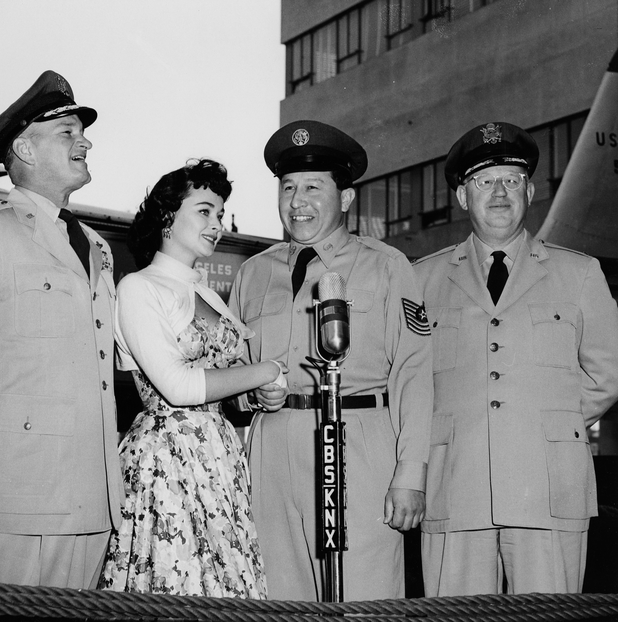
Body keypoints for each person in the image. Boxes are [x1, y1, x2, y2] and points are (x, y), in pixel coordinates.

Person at [228, 120, 433, 601]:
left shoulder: (385, 266)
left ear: (345, 198)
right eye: (288, 187)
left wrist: (411, 473)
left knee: (364, 598)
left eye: (314, 187)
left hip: (359, 445)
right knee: (278, 600)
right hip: (273, 449)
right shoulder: (254, 273)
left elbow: (414, 375)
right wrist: (247, 392)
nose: (297, 201)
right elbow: (229, 369)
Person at [412, 121, 618, 596]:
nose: (499, 192)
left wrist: (547, 422)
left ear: (529, 189)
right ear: (463, 197)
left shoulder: (580, 273)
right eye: (484, 181)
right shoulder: (421, 280)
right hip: (455, 488)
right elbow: (412, 381)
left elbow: (607, 373)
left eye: (511, 179)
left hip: (548, 488)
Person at [0, 71, 122, 589]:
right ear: (23, 147)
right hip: (13, 495)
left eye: (81, 132)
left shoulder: (95, 245)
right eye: (67, 132)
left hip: (92, 494)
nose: (84, 141)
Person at [99, 159, 283, 598]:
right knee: (176, 584)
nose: (216, 223)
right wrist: (265, 370)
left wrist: (258, 394)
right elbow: (178, 388)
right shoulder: (140, 288)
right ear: (167, 216)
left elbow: (225, 382)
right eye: (204, 210)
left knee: (223, 585)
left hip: (219, 457)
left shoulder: (205, 293)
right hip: (167, 459)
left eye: (219, 213)